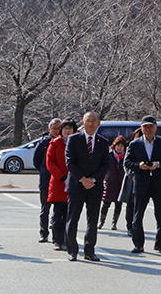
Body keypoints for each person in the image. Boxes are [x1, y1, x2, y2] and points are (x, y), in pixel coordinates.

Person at [65, 112, 111, 262]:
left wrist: (93, 179)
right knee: (73, 218)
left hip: (95, 186)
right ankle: (72, 250)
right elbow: (70, 162)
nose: (90, 123)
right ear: (83, 124)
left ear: (99, 123)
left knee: (92, 220)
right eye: (88, 121)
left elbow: (106, 164)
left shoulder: (103, 142)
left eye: (94, 121)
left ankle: (90, 251)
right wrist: (83, 179)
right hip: (77, 185)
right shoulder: (73, 139)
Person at [126, 115, 161, 254]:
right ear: (141, 128)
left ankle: (159, 243)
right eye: (145, 127)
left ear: (156, 128)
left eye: (151, 126)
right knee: (137, 216)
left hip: (159, 183)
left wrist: (158, 164)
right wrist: (139, 166)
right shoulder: (135, 144)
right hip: (141, 183)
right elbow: (127, 162)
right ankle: (138, 244)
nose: (148, 129)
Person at [46, 120, 75, 251]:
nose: (67, 131)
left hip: (74, 182)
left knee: (70, 215)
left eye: (70, 128)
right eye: (65, 128)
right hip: (59, 183)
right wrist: (63, 177)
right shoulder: (55, 143)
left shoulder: (77, 143)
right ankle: (57, 240)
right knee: (58, 214)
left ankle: (67, 239)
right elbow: (50, 163)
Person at [34, 118, 61, 243]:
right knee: (45, 209)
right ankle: (43, 233)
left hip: (60, 181)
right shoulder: (44, 142)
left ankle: (58, 234)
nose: (56, 131)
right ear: (49, 129)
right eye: (54, 128)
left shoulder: (64, 142)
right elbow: (36, 160)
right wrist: (44, 171)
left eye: (58, 128)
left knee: (59, 209)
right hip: (46, 180)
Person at [99, 136, 127, 230]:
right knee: (106, 203)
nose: (119, 148)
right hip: (110, 182)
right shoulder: (109, 155)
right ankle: (101, 222)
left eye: (121, 146)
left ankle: (114, 223)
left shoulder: (126, 157)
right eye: (118, 145)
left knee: (118, 204)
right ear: (114, 146)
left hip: (121, 183)